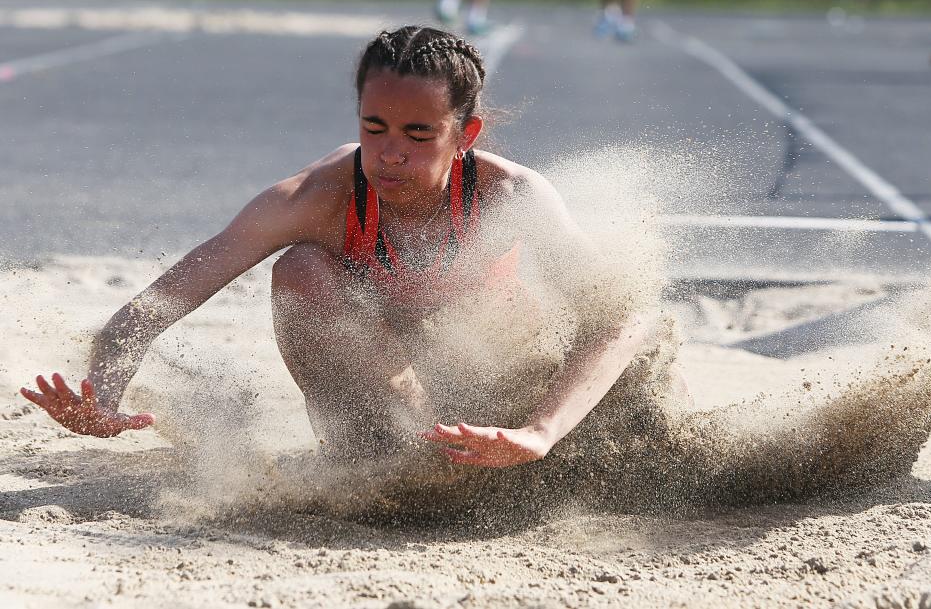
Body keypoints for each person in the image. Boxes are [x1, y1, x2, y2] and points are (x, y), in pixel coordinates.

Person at [20, 26, 657, 471]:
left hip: (493, 384)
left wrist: (540, 432)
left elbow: (626, 317)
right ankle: (382, 459)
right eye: (373, 127)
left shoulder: (512, 195)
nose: (391, 153)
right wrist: (102, 398)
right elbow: (152, 308)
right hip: (375, 401)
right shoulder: (314, 198)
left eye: (418, 133)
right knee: (299, 271)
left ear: (465, 134)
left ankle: (502, 450)